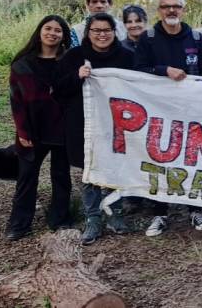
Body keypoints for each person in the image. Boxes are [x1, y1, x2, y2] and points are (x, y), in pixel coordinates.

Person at [134, 0, 202, 237]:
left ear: (183, 10)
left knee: (192, 158)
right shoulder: (147, 39)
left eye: (176, 6)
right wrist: (164, 70)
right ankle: (160, 213)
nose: (171, 10)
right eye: (166, 6)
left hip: (190, 112)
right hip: (157, 112)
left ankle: (195, 209)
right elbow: (137, 72)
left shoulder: (196, 39)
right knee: (160, 160)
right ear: (159, 11)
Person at [54, 13, 135, 245]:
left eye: (106, 30)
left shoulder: (127, 56)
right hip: (83, 123)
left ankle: (115, 214)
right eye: (96, 30)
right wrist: (77, 76)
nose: (102, 35)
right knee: (89, 170)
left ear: (114, 32)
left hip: (117, 124)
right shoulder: (74, 57)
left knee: (115, 166)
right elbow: (58, 90)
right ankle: (93, 218)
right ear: (88, 33)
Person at [6, 15, 73, 241]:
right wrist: (22, 131)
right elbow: (16, 100)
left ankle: (60, 220)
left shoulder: (69, 62)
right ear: (40, 31)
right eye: (48, 28)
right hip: (32, 129)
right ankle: (19, 224)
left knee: (61, 175)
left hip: (62, 127)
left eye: (58, 30)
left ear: (64, 36)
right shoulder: (22, 64)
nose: (52, 33)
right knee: (27, 176)